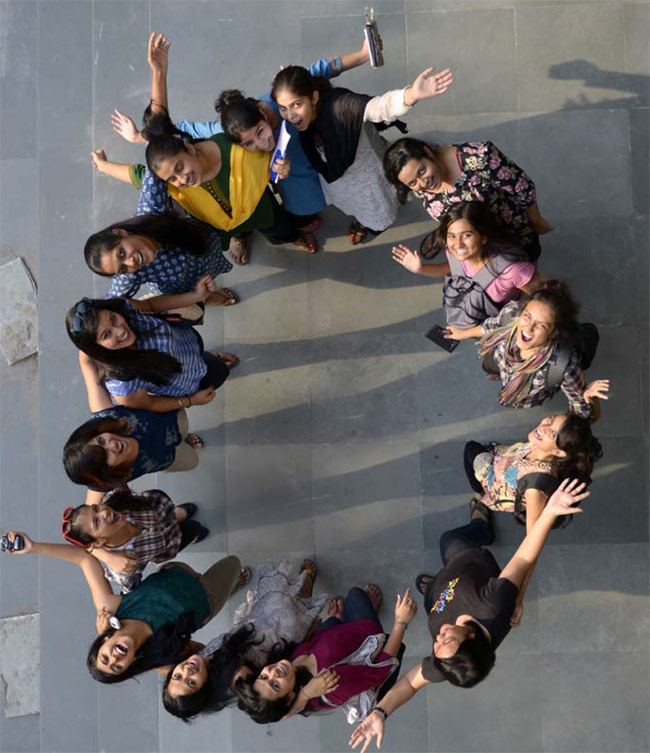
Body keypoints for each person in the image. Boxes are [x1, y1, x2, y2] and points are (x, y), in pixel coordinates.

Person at [348, 480, 590, 753]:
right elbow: (524, 558)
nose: (437, 639)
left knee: (433, 593)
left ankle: (433, 587)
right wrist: (548, 514)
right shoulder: (492, 606)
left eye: (437, 647)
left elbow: (408, 683)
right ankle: (481, 526)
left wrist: (380, 712)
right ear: (472, 636)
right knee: (449, 539)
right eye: (447, 638)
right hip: (467, 559)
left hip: (441, 596)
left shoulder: (450, 664)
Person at [112, 36, 375, 235]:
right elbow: (172, 131)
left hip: (329, 155)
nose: (263, 143)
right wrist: (142, 137)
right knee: (308, 208)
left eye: (261, 132)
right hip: (297, 180)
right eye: (248, 143)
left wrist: (363, 55)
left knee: (350, 188)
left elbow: (316, 71)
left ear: (263, 112)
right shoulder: (223, 134)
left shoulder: (279, 99)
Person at [91, 34, 318, 265]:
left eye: (180, 167)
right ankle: (239, 236)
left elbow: (163, 122)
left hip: (260, 207)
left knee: (278, 228)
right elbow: (136, 174)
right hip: (222, 225)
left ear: (189, 147)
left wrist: (159, 73)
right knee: (236, 231)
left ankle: (289, 236)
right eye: (173, 178)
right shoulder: (168, 183)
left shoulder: (237, 145)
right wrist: (103, 166)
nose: (183, 178)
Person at [1, 530, 248, 683]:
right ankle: (234, 583)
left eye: (105, 655)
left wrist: (34, 548)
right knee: (233, 564)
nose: (115, 657)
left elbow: (84, 559)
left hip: (177, 571)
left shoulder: (111, 609)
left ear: (103, 641)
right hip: (208, 597)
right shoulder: (160, 657)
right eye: (117, 665)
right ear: (130, 664)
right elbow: (205, 658)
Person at [270, 64, 453, 244]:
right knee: (354, 206)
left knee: (377, 210)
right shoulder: (299, 119)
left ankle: (371, 226)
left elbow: (380, 107)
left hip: (369, 177)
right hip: (336, 179)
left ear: (314, 97)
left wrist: (412, 94)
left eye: (296, 104)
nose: (290, 115)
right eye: (283, 108)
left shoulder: (341, 105)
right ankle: (362, 220)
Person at [162, 559, 329, 720]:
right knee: (296, 602)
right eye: (191, 682)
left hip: (257, 621)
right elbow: (272, 712)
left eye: (177, 676)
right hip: (280, 630)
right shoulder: (236, 682)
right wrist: (305, 695)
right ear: (203, 691)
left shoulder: (200, 662)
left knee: (284, 597)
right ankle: (306, 582)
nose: (186, 671)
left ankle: (301, 584)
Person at [234, 584, 417, 725]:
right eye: (275, 685)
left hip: (339, 639)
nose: (273, 673)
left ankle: (336, 619)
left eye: (263, 676)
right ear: (289, 697)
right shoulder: (331, 683)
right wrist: (401, 623)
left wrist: (304, 695)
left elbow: (282, 716)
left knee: (340, 615)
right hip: (366, 638)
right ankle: (365, 616)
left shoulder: (289, 669)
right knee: (355, 595)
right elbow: (381, 671)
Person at [444, 279, 610, 416]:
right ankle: (499, 375)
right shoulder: (512, 312)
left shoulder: (563, 366)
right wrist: (462, 333)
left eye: (541, 325)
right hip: (501, 360)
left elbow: (580, 409)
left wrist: (589, 400)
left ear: (554, 333)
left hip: (526, 395)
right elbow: (491, 326)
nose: (528, 328)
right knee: (490, 367)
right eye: (527, 316)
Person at [383, 137, 552, 261]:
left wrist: (536, 221)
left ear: (427, 153)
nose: (423, 183)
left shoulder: (479, 157)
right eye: (412, 182)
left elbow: (522, 187)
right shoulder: (421, 188)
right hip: (481, 248)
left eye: (421, 171)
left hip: (513, 230)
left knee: (527, 262)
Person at [64, 352, 204, 497]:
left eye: (101, 440)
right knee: (193, 461)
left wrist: (86, 337)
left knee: (184, 430)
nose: (112, 445)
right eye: (104, 456)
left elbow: (87, 363)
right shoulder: (107, 481)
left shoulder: (107, 417)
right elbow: (90, 510)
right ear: (105, 474)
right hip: (170, 458)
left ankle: (185, 437)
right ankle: (185, 440)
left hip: (173, 418)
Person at [66, 296, 238, 412]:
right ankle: (214, 361)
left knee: (206, 356)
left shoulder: (124, 308)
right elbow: (150, 403)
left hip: (189, 341)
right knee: (220, 371)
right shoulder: (123, 383)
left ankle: (210, 357)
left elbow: (151, 305)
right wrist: (192, 401)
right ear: (97, 349)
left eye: (113, 319)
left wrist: (196, 294)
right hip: (193, 379)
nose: (119, 330)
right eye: (106, 335)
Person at [392, 200, 538, 328]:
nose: (457, 244)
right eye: (452, 236)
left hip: (498, 326)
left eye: (467, 235)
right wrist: (421, 269)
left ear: (483, 237)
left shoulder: (511, 271)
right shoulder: (453, 253)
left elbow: (544, 297)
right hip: (477, 319)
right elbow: (455, 270)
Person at [61, 488, 209, 592]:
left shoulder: (116, 501)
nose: (104, 512)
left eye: (96, 508)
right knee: (192, 529)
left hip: (163, 511)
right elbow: (131, 585)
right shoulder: (124, 563)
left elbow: (101, 478)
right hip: (170, 543)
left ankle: (176, 515)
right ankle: (191, 533)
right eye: (97, 522)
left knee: (174, 518)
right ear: (98, 543)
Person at [84, 213, 237, 307]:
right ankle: (208, 298)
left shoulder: (151, 211)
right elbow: (109, 305)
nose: (131, 263)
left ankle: (238, 237)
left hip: (205, 249)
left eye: (122, 253)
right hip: (184, 285)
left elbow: (154, 169)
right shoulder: (132, 275)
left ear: (121, 233)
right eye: (122, 269)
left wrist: (104, 165)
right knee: (204, 293)